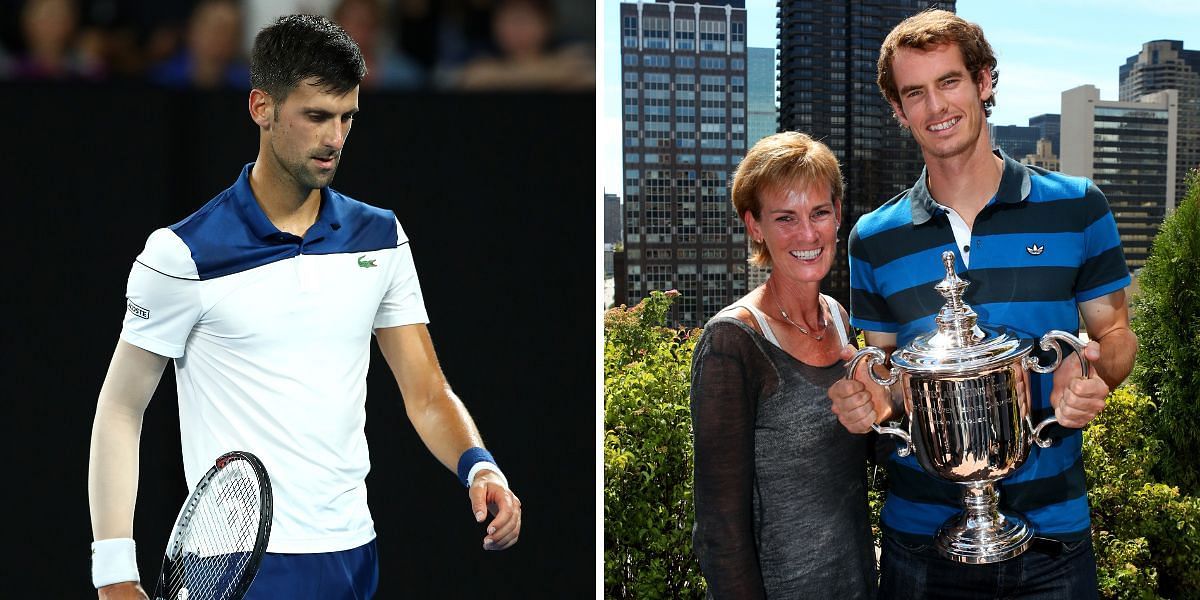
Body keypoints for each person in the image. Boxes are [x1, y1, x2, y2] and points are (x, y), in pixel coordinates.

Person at [87, 14, 522, 600]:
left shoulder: (382, 238)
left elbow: (426, 392)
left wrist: (479, 465)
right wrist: (113, 570)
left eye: (347, 118)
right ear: (261, 107)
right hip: (237, 563)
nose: (334, 138)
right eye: (316, 116)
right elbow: (121, 406)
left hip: (355, 555)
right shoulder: (181, 253)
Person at [827, 9, 1137, 599]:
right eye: (914, 93)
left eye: (949, 82)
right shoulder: (873, 235)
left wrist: (1093, 366)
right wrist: (868, 398)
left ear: (984, 81)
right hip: (918, 541)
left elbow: (1117, 333)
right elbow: (886, 372)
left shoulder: (1078, 207)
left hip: (1053, 538)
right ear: (898, 110)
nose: (936, 107)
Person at [690, 132, 877, 599]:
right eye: (785, 218)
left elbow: (859, 461)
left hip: (857, 583)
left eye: (818, 213)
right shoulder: (732, 342)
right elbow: (719, 526)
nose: (808, 234)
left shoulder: (839, 318)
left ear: (837, 214)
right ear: (755, 226)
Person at [149, 0, 249, 89]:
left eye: (232, 32)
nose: (224, 38)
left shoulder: (246, 85)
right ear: (192, 31)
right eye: (217, 30)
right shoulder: (161, 80)